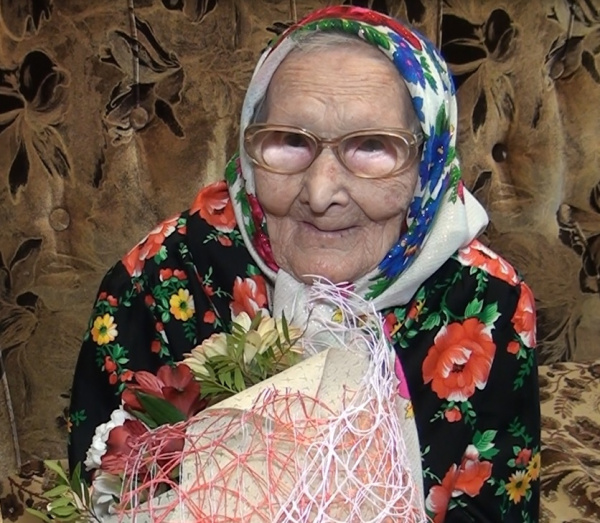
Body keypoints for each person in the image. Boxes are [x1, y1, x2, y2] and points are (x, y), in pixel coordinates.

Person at [68, 5, 540, 521]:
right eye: (291, 141)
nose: (320, 193)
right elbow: (104, 490)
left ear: (428, 165)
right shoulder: (161, 280)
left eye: (372, 147)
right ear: (250, 147)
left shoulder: (484, 304)